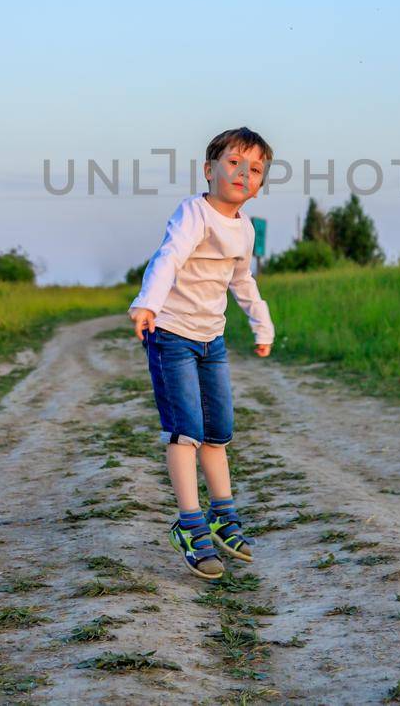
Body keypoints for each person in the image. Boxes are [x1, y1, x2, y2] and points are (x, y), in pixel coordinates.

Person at [128, 126, 275, 579]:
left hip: (212, 341)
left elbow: (242, 281)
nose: (242, 173)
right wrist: (148, 302)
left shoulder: (245, 229)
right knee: (185, 430)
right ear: (209, 169)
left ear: (260, 185)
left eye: (254, 169)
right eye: (233, 163)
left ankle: (223, 515)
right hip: (171, 333)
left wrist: (262, 323)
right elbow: (169, 256)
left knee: (219, 431)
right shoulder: (194, 212)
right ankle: (190, 524)